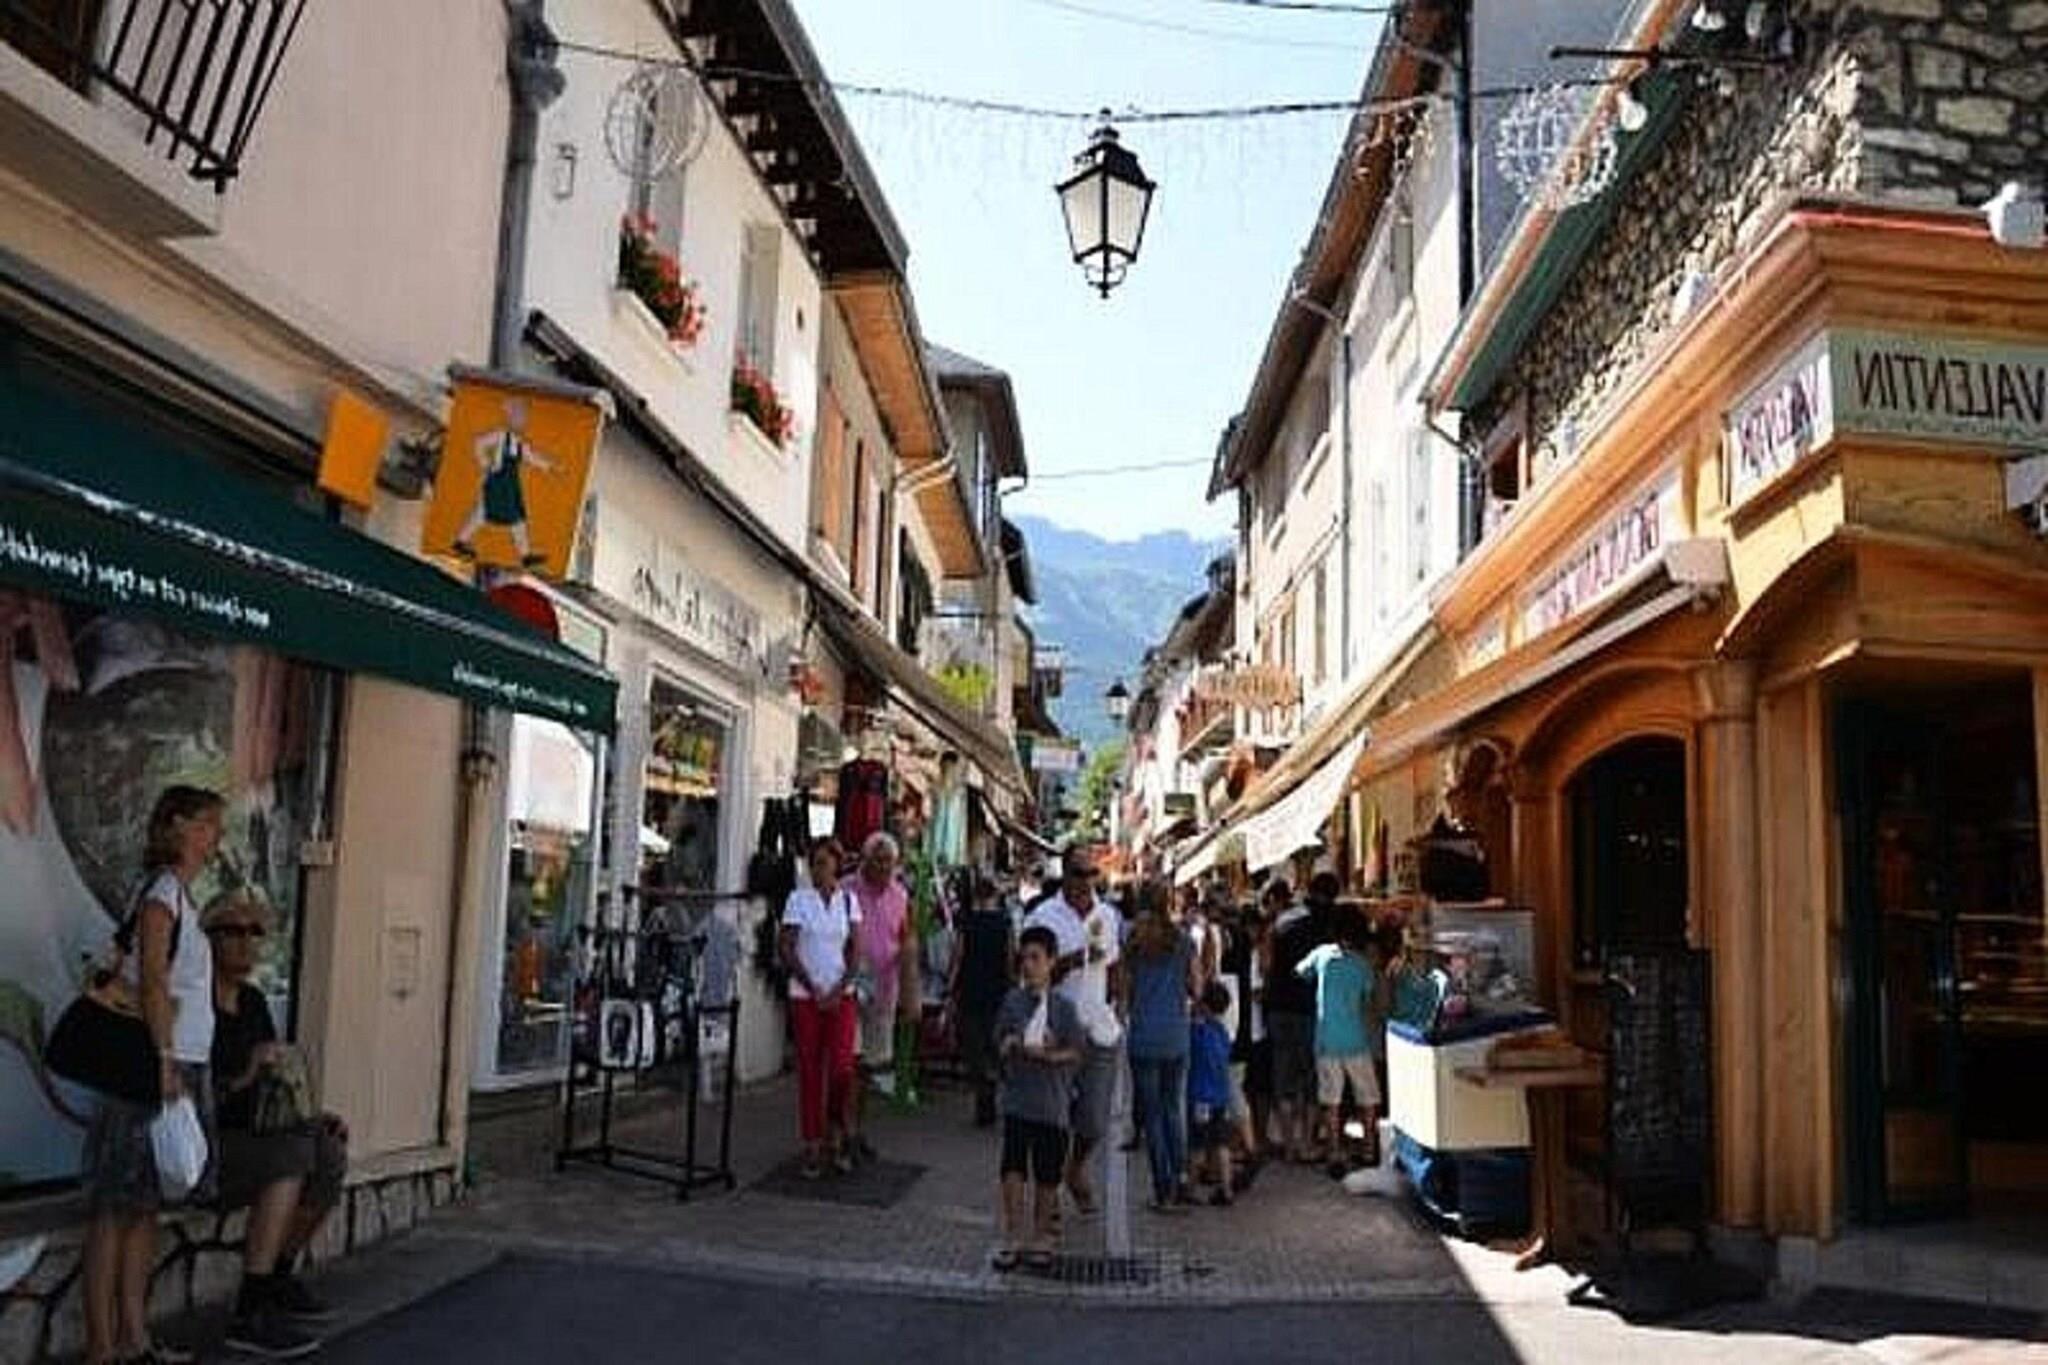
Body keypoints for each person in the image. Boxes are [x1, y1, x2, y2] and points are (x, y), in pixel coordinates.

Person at [80, 786, 223, 1365]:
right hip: (151, 1061)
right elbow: (155, 983)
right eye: (206, 825)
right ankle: (101, 1344)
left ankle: (134, 1337)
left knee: (142, 1208)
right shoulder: (162, 895)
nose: (214, 838)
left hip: (177, 1058)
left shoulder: (181, 897)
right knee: (117, 1206)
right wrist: (164, 1060)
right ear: (178, 826)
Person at [205, 889, 346, 1356]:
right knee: (289, 1155)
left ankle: (278, 1275)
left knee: (327, 1151)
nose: (247, 942)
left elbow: (273, 1085)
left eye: (256, 932)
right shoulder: (194, 1003)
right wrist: (246, 1073)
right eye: (234, 931)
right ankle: (249, 1309)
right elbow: (193, 1093)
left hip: (253, 1133)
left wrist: (312, 1115)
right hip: (209, 1142)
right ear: (210, 939)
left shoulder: (252, 1002)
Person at [1022, 847, 1123, 1217]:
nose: (1086, 881)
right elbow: (1027, 973)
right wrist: (1070, 961)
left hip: (1099, 1027)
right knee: (1054, 1118)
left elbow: (1114, 964)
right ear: (1064, 874)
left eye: (1092, 874)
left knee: (1094, 1120)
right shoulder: (1043, 916)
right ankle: (1048, 1197)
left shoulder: (1107, 915)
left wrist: (1120, 1005)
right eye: (1079, 873)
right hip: (1057, 1028)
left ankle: (1075, 1166)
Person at [991, 926, 1084, 1270]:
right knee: (1013, 1168)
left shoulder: (1063, 1008)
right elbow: (999, 1040)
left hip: (1052, 1103)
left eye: (1036, 958)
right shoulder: (1013, 1002)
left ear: (1051, 962)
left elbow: (1077, 1050)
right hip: (1018, 1099)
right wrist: (1009, 1045)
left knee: (1047, 1173)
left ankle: (1042, 1234)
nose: (1029, 966)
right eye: (1025, 958)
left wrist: (1053, 1054)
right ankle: (1013, 1234)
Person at [779, 840, 861, 1178]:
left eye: (824, 864)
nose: (818, 870)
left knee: (842, 1069)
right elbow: (787, 946)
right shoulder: (799, 900)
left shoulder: (848, 901)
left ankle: (837, 1134)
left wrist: (839, 988)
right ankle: (812, 1142)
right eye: (814, 864)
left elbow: (855, 949)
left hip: (841, 995)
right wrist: (813, 987)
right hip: (806, 996)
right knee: (810, 1070)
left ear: (836, 866)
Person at [1122, 881, 1196, 1213]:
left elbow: (1123, 991)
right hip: (1176, 1033)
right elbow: (1196, 985)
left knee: (1152, 1115)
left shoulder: (1133, 942)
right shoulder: (1183, 941)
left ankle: (1162, 1188)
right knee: (1173, 1109)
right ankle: (1181, 1178)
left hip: (1143, 1035)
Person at [1297, 916, 1381, 1176]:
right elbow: (1369, 999)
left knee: (1331, 1100)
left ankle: (1333, 1151)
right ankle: (1368, 1149)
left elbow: (1300, 972)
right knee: (1367, 1097)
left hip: (1326, 1039)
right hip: (1357, 1039)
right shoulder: (1363, 965)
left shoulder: (1322, 954)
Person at [847, 832, 913, 1155]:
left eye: (890, 861)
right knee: (849, 1063)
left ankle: (856, 1130)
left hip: (884, 989)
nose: (885, 867)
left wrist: (910, 993)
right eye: (879, 860)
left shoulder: (900, 895)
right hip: (849, 987)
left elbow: (906, 940)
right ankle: (842, 1131)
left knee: (868, 1067)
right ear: (865, 860)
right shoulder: (846, 890)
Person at [948, 872, 1014, 1128]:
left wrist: (951, 988)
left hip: (971, 989)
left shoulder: (968, 921)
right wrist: (1012, 986)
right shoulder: (1005, 922)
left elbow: (958, 956)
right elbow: (1010, 958)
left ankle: (983, 1097)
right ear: (996, 895)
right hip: (997, 990)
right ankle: (999, 1089)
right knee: (996, 1044)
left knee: (974, 1046)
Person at [1261, 877, 1319, 1162]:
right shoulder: (1314, 926)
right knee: (1309, 1077)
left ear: (1275, 900)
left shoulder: (1275, 930)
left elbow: (1266, 966)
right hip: (1307, 1007)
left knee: (1283, 1075)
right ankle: (1307, 1143)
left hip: (1279, 1008)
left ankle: (1288, 1146)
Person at [1220, 898, 1269, 1186]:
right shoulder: (1248, 954)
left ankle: (1247, 1148)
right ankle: (1242, 1147)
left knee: (1232, 1090)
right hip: (1245, 1031)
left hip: (1231, 1033)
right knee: (1236, 1087)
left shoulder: (1228, 956)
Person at [1188, 980, 1236, 1207]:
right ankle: (1226, 1188)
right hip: (1221, 1097)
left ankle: (1190, 1188)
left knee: (1197, 1145)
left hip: (1200, 1097)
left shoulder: (1197, 1031)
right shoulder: (1222, 1032)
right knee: (1221, 1144)